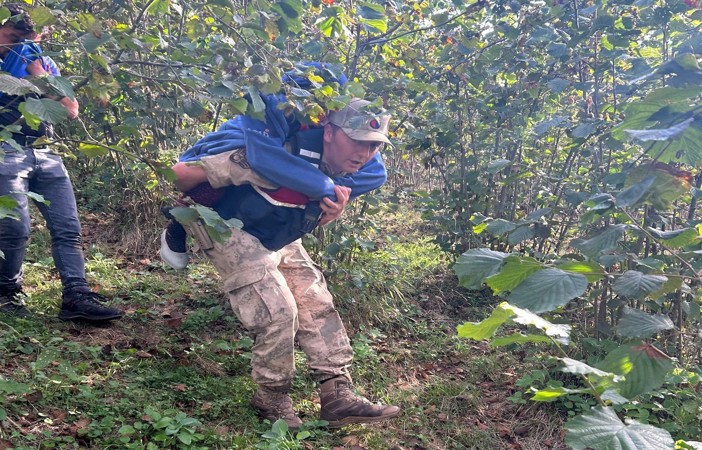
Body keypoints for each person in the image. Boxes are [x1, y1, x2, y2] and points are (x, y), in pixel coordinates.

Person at [165, 89, 401, 428]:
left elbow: (320, 196)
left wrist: (330, 209)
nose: (364, 153)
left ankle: (338, 395)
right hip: (226, 226)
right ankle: (271, 400)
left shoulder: (349, 170)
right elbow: (179, 175)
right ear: (331, 133)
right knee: (278, 310)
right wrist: (245, 171)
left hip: (275, 231)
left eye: (373, 145)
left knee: (316, 301)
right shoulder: (272, 147)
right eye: (357, 141)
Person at [0, 3, 123, 321]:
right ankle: (7, 293)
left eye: (26, 38)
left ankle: (76, 296)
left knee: (68, 227)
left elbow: (70, 108)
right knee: (15, 228)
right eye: (12, 36)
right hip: (5, 150)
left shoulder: (39, 61)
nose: (18, 44)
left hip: (45, 150)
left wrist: (38, 73)